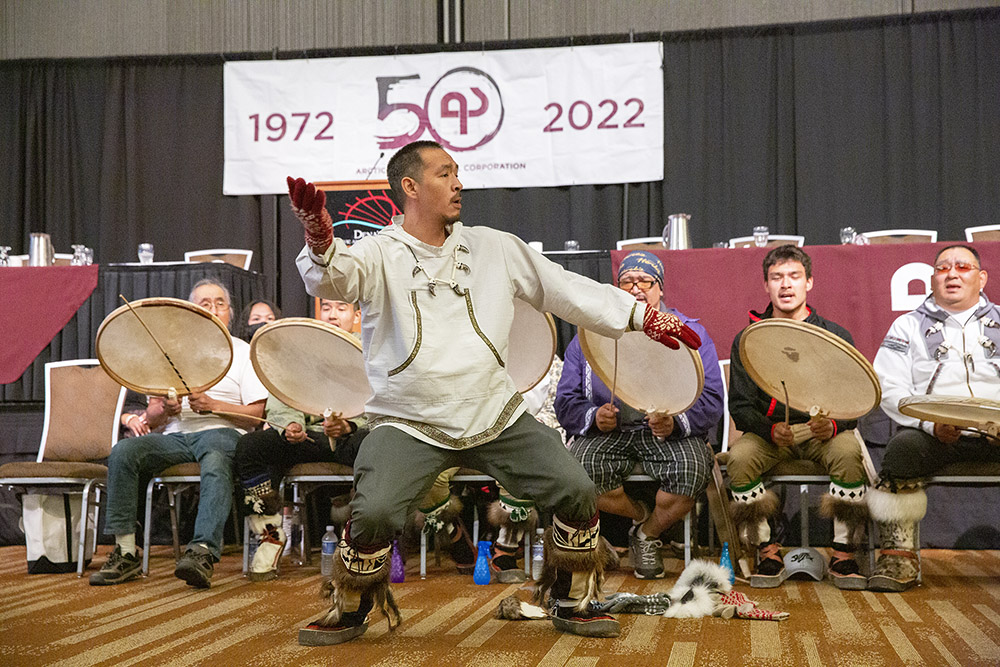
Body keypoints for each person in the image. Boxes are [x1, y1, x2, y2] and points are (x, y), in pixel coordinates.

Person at [289, 139, 700, 643]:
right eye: (445, 173)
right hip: (409, 421)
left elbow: (564, 287)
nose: (459, 182)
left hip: (494, 414)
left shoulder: (494, 246)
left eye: (457, 172)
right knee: (373, 512)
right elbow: (332, 279)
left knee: (573, 486)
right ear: (410, 187)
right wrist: (319, 236)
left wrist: (640, 315)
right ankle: (350, 604)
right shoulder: (377, 252)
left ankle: (572, 599)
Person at [89, 279, 268, 588]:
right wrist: (167, 410)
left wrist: (213, 405)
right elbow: (153, 418)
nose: (212, 308)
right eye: (204, 304)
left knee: (215, 458)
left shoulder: (243, 351)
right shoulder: (170, 353)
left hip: (221, 432)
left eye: (220, 303)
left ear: (230, 312)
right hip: (175, 436)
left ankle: (202, 551)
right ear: (190, 312)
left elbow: (256, 416)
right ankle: (126, 551)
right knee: (124, 452)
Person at [556, 250, 722, 580]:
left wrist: (675, 422)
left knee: (692, 469)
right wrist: (593, 415)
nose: (636, 288)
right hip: (610, 432)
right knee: (577, 473)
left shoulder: (690, 333)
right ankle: (640, 515)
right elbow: (566, 400)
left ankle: (646, 535)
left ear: (660, 288)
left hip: (667, 432)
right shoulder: (591, 335)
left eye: (646, 281)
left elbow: (712, 398)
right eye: (627, 281)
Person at [727, 245, 869, 590]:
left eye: (794, 276)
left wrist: (834, 425)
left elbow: (858, 399)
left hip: (825, 433)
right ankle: (767, 549)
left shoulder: (836, 336)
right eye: (777, 277)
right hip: (772, 435)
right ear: (766, 285)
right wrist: (770, 429)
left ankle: (843, 552)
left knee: (849, 454)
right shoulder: (748, 339)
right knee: (740, 458)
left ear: (809, 283)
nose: (786, 285)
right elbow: (741, 406)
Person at [869, 244, 1000, 592]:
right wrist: (930, 424)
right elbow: (888, 386)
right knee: (902, 450)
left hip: (997, 431)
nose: (952, 274)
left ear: (981, 277)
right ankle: (899, 558)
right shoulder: (907, 326)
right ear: (931, 279)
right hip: (935, 432)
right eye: (943, 268)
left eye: (963, 267)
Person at [235, 309, 368, 582]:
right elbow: (284, 393)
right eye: (327, 308)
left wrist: (348, 426)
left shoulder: (368, 349)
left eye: (340, 308)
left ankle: (364, 544)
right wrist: (291, 426)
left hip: (351, 438)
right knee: (250, 447)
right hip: (308, 436)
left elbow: (380, 402)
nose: (332, 315)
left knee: (374, 446)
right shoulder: (302, 349)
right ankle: (270, 533)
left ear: (355, 315)